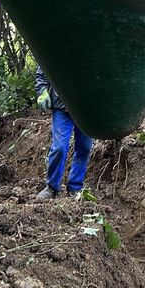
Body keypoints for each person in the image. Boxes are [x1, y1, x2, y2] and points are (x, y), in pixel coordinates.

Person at [34, 66, 93, 200]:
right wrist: (42, 92)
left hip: (87, 107)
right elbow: (44, 68)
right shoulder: (60, 46)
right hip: (62, 107)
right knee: (59, 147)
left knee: (84, 147)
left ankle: (75, 187)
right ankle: (52, 187)